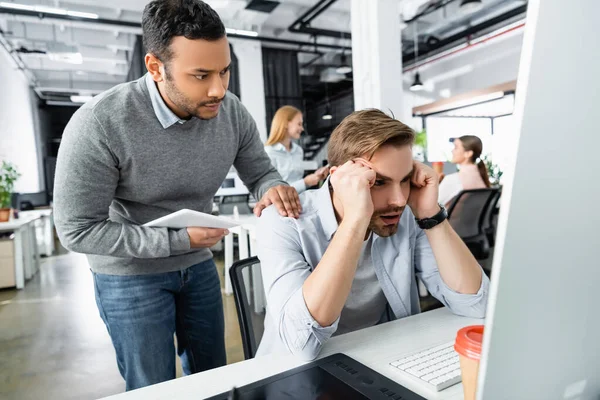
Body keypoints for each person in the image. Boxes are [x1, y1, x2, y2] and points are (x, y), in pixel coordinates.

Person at [53, 0, 301, 390]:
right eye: (201, 75)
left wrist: (274, 188)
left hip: (198, 265)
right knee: (154, 387)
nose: (218, 89)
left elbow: (261, 172)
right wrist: (176, 241)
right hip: (129, 275)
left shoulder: (231, 112)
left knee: (215, 378)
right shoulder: (100, 123)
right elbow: (77, 230)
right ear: (156, 68)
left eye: (224, 71)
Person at [255, 109, 489, 360]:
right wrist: (356, 220)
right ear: (338, 179)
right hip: (298, 375)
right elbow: (302, 345)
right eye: (378, 182)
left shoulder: (408, 215)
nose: (399, 200)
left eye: (405, 180)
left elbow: (476, 305)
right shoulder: (283, 222)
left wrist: (430, 215)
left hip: (382, 359)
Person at [264, 106, 329, 193]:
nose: (302, 128)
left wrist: (315, 176)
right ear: (286, 124)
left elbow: (297, 181)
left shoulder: (298, 151)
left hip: (300, 201)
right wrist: (305, 182)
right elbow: (272, 192)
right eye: (299, 124)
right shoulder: (268, 152)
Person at [438, 135, 491, 206]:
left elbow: (429, 206)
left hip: (452, 217)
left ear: (468, 154)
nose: (452, 151)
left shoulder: (454, 179)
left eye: (456, 147)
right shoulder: (481, 179)